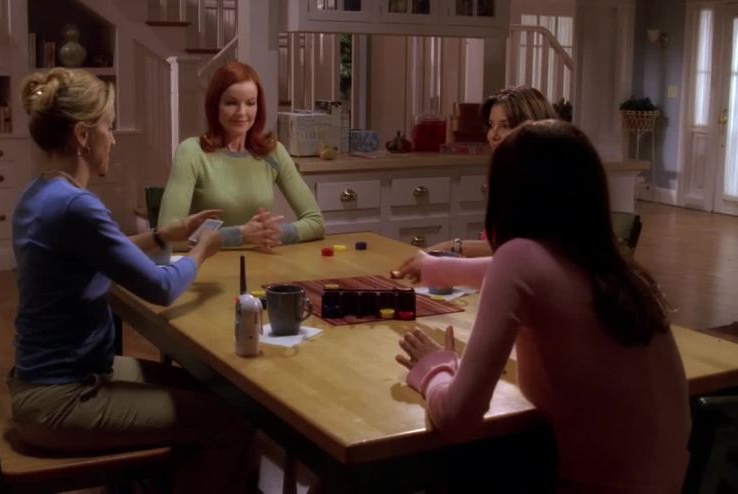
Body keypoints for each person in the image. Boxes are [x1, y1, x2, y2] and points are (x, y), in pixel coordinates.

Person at [395, 121, 690, 493]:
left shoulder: (519, 260)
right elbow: (529, 273)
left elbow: (457, 420)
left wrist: (434, 369)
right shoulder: (617, 269)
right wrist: (435, 267)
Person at [9, 67, 257, 493]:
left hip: (48, 379)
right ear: (83, 136)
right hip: (64, 398)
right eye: (109, 126)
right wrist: (203, 247)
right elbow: (162, 288)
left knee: (217, 391)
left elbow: (103, 249)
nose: (114, 138)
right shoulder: (76, 206)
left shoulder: (39, 193)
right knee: (231, 420)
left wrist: (165, 235)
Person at [158, 61, 325, 251]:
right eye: (231, 103)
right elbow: (166, 236)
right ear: (215, 106)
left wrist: (268, 233)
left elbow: (316, 222)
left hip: (262, 262)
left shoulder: (273, 152)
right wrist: (240, 235)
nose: (242, 112)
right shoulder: (192, 152)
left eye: (250, 103)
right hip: (208, 263)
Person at [427, 86, 556, 257]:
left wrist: (454, 247)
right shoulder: (508, 174)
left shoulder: (546, 183)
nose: (493, 135)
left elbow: (522, 251)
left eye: (505, 126)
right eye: (491, 125)